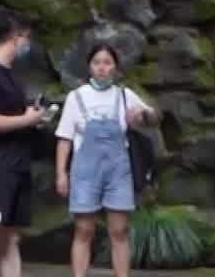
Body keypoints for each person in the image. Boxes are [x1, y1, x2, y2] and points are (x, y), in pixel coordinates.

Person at [55, 39, 158, 277]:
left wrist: (143, 116)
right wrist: (61, 173)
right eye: (97, 62)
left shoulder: (124, 96)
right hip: (85, 171)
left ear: (115, 67)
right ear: (89, 66)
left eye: (107, 62)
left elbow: (153, 117)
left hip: (118, 171)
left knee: (119, 230)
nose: (102, 67)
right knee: (83, 229)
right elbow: (64, 138)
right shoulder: (76, 97)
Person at [0, 11, 53, 277]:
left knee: (10, 236)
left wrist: (35, 118)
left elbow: (16, 118)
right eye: (26, 37)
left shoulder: (11, 76)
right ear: (15, 37)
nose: (27, 44)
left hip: (19, 164)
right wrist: (26, 120)